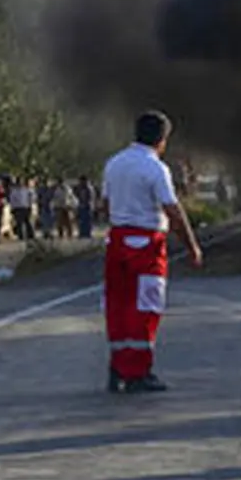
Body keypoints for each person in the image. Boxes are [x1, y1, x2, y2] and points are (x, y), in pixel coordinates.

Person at [100, 111, 204, 393]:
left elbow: (105, 206)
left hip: (117, 241)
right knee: (146, 308)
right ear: (162, 139)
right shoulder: (155, 168)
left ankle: (118, 367)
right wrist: (191, 246)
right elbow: (172, 209)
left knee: (118, 307)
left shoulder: (114, 164)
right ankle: (138, 372)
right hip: (146, 245)